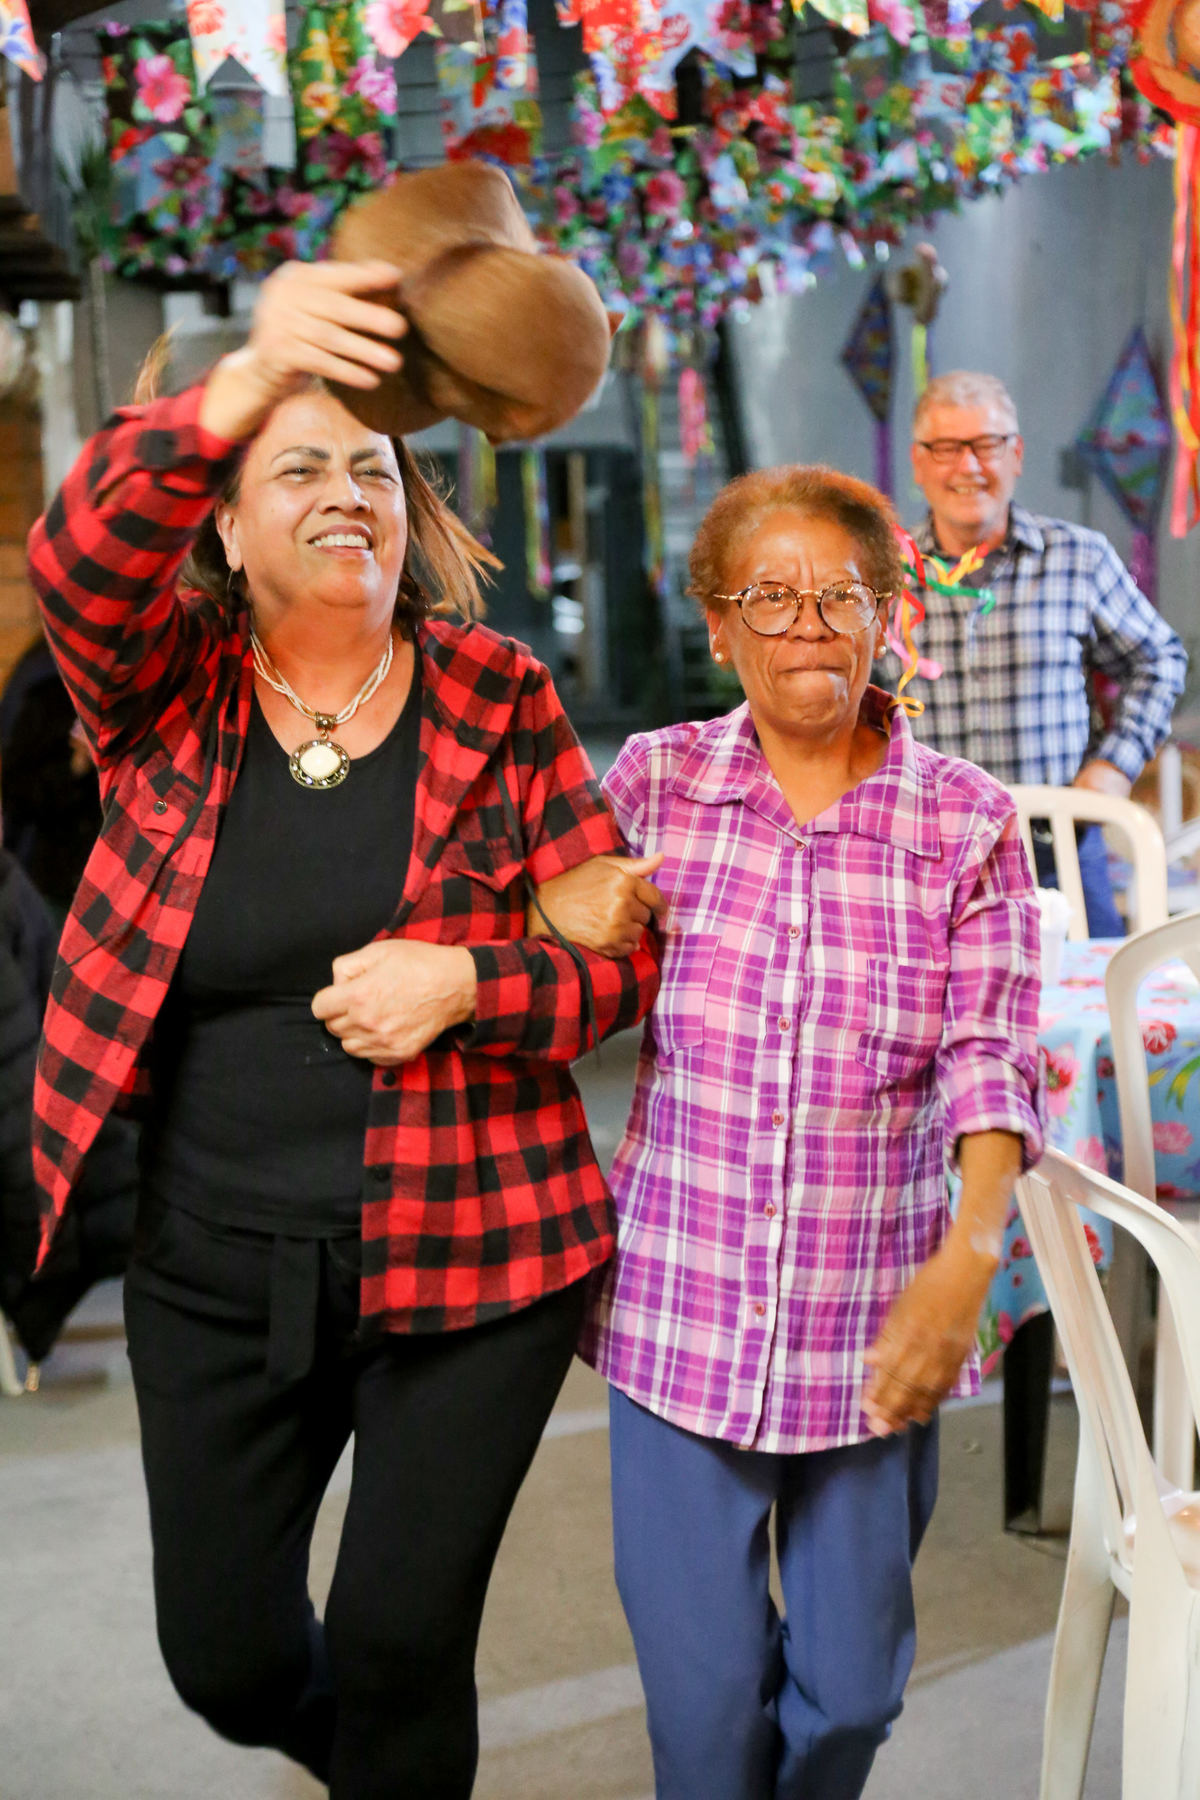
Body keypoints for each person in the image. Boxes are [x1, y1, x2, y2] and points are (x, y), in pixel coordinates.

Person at [25, 257, 659, 1799]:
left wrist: (469, 984)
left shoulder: (497, 695)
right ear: (224, 526)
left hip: (477, 1254)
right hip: (214, 1261)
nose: (343, 490)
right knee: (228, 1657)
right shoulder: (161, 693)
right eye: (295, 468)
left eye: (369, 466)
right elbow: (76, 559)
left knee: (396, 1643)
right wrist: (243, 379)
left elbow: (612, 973)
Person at [538, 464, 1044, 1799]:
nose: (807, 621)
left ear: (893, 617)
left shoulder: (968, 825)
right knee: (706, 1736)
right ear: (717, 627)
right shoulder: (654, 785)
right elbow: (545, 934)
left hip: (874, 1325)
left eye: (842, 594)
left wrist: (970, 1259)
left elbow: (989, 1056)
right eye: (769, 595)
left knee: (851, 1699)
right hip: (680, 1325)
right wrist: (562, 902)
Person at [905, 369, 1186, 936]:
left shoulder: (1078, 558)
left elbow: (1159, 659)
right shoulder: (886, 575)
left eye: (987, 445)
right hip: (922, 862)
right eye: (946, 448)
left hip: (1059, 854)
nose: (969, 466)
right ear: (918, 463)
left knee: (1094, 1005)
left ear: (1017, 455)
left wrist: (1114, 766)